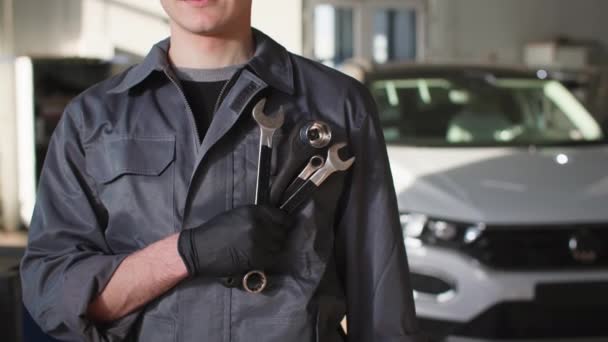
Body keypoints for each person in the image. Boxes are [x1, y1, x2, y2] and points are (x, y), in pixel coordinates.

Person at [20, 0, 422, 341]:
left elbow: (382, 298)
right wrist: (185, 253)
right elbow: (53, 291)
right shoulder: (93, 118)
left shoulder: (339, 106)